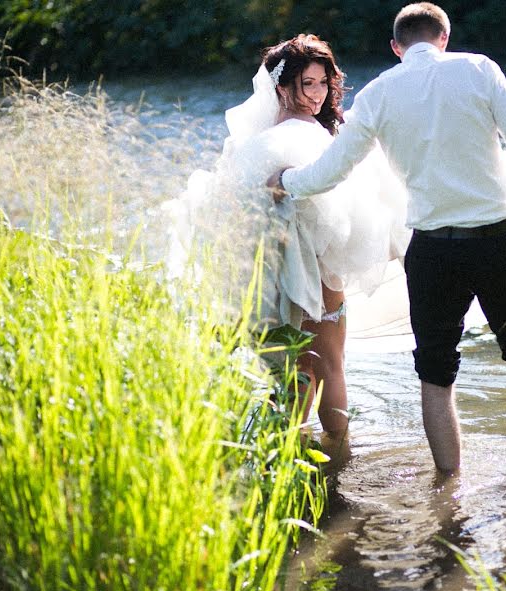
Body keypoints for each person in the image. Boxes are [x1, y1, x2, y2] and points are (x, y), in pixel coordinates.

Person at [269, 3, 506, 475]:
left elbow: (332, 170)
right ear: (444, 37)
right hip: (499, 241)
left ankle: (449, 493)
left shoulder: (380, 91)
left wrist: (287, 180)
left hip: (432, 252)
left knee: (435, 380)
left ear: (396, 48)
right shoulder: (480, 68)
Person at [166, 34, 409, 435]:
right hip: (319, 274)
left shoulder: (250, 147)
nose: (316, 95)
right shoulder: (316, 137)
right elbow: (360, 216)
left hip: (272, 284)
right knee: (331, 364)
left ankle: (285, 458)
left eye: (322, 83)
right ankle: (338, 459)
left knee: (293, 372)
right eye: (306, 84)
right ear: (281, 87)